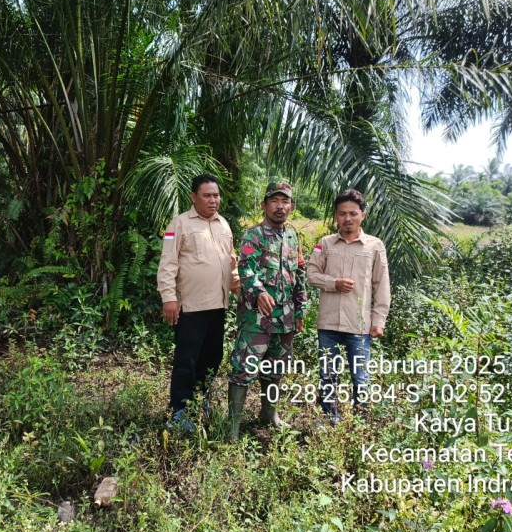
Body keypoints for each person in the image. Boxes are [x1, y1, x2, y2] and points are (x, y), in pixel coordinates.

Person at [157, 174, 239, 431]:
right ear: (193, 197)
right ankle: (179, 411)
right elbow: (168, 263)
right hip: (191, 307)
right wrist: (169, 297)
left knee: (213, 356)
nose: (213, 200)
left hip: (218, 304)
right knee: (187, 360)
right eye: (207, 195)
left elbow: (231, 260)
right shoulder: (178, 224)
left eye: (216, 195)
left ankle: (199, 401)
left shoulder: (224, 224)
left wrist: (237, 286)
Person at [227, 179, 307, 440]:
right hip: (256, 320)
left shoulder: (293, 236)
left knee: (275, 369)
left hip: (284, 319)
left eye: (285, 201)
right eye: (274, 201)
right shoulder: (254, 235)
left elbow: (299, 273)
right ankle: (233, 426)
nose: (280, 206)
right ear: (264, 205)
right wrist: (259, 291)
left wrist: (300, 310)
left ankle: (269, 414)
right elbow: (245, 268)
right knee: (244, 369)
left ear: (292, 206)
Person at [306, 189, 391, 424]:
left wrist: (379, 320)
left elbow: (381, 284)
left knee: (360, 377)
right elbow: (311, 274)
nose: (347, 219)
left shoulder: (374, 246)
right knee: (328, 375)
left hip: (359, 325)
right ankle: (328, 419)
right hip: (329, 323)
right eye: (342, 214)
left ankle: (360, 423)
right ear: (336, 216)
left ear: (363, 215)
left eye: (353, 213)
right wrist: (334, 283)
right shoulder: (325, 244)